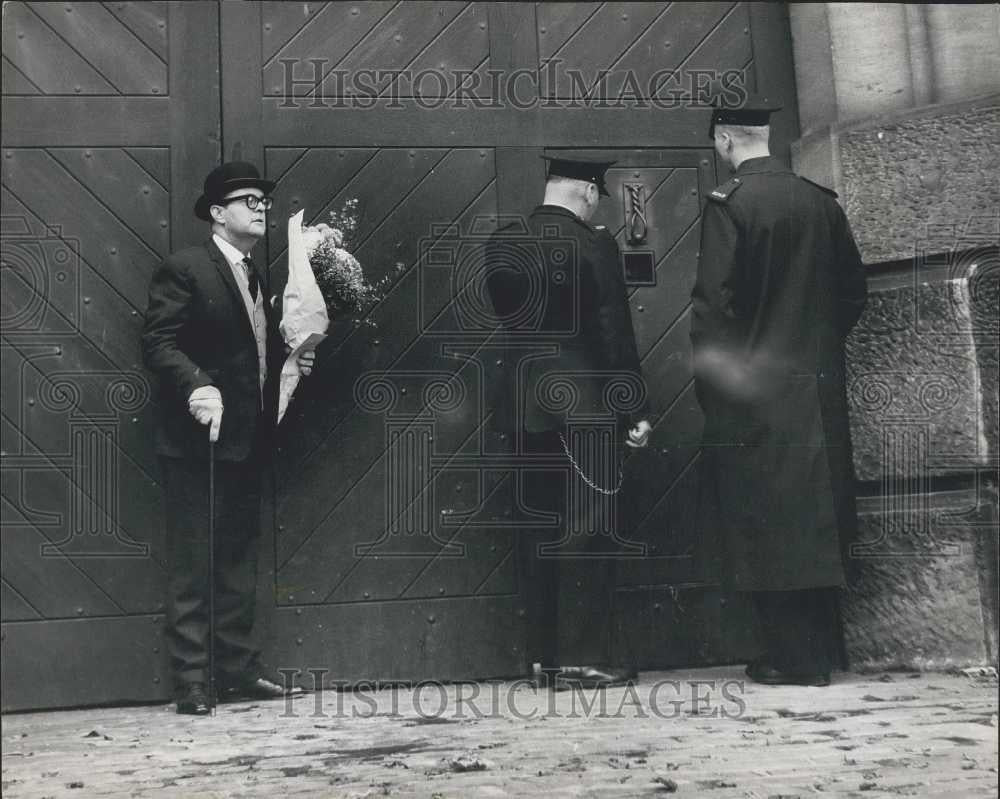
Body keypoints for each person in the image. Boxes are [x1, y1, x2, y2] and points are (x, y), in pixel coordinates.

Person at [691, 96, 867, 687]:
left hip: (757, 395)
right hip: (818, 389)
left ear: (723, 141)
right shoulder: (820, 203)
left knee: (770, 519)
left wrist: (720, 391)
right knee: (819, 517)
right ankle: (820, 654)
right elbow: (852, 295)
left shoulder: (730, 206)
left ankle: (793, 660)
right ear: (767, 136)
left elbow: (715, 313)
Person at [142, 161, 315, 714]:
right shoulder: (186, 268)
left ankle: (236, 671)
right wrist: (197, 386)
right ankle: (193, 680)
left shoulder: (255, 276)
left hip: (248, 439)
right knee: (195, 563)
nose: (261, 207)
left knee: (239, 560)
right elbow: (159, 343)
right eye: (247, 200)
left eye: (264, 200)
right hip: (198, 442)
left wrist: (292, 363)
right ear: (218, 213)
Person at [486, 153, 652, 689]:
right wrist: (634, 409)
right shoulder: (593, 243)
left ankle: (543, 660)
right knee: (587, 529)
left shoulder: (504, 242)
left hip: (524, 409)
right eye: (596, 197)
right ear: (585, 192)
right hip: (585, 409)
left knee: (537, 528)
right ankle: (586, 657)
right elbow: (612, 332)